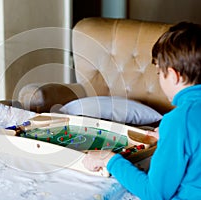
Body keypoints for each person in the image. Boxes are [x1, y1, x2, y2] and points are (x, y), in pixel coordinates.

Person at [82, 22, 201, 199]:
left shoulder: (178, 120)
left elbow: (154, 194)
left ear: (174, 75)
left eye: (159, 73)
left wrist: (109, 159)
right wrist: (171, 137)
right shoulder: (182, 124)